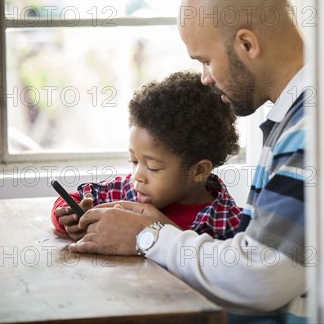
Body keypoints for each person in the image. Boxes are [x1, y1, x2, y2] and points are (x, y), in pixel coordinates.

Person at [69, 0, 310, 321]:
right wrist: (163, 230)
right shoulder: (293, 117)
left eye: (206, 61)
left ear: (247, 44)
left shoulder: (311, 127)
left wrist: (147, 236)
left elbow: (261, 280)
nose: (205, 79)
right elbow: (255, 258)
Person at [53, 71, 242, 241]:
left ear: (198, 171)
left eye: (152, 167)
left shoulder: (228, 224)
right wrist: (71, 218)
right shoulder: (130, 192)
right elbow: (73, 198)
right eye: (134, 161)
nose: (137, 176)